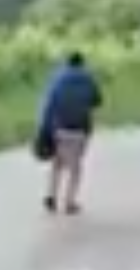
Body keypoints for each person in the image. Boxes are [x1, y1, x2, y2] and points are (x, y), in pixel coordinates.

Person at [37, 51, 103, 215]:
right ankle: (69, 202)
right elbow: (97, 101)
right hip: (80, 130)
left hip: (59, 129)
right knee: (75, 167)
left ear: (67, 63)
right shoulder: (88, 79)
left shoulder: (57, 79)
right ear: (82, 64)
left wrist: (44, 128)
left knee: (57, 163)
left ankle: (51, 195)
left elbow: (48, 105)